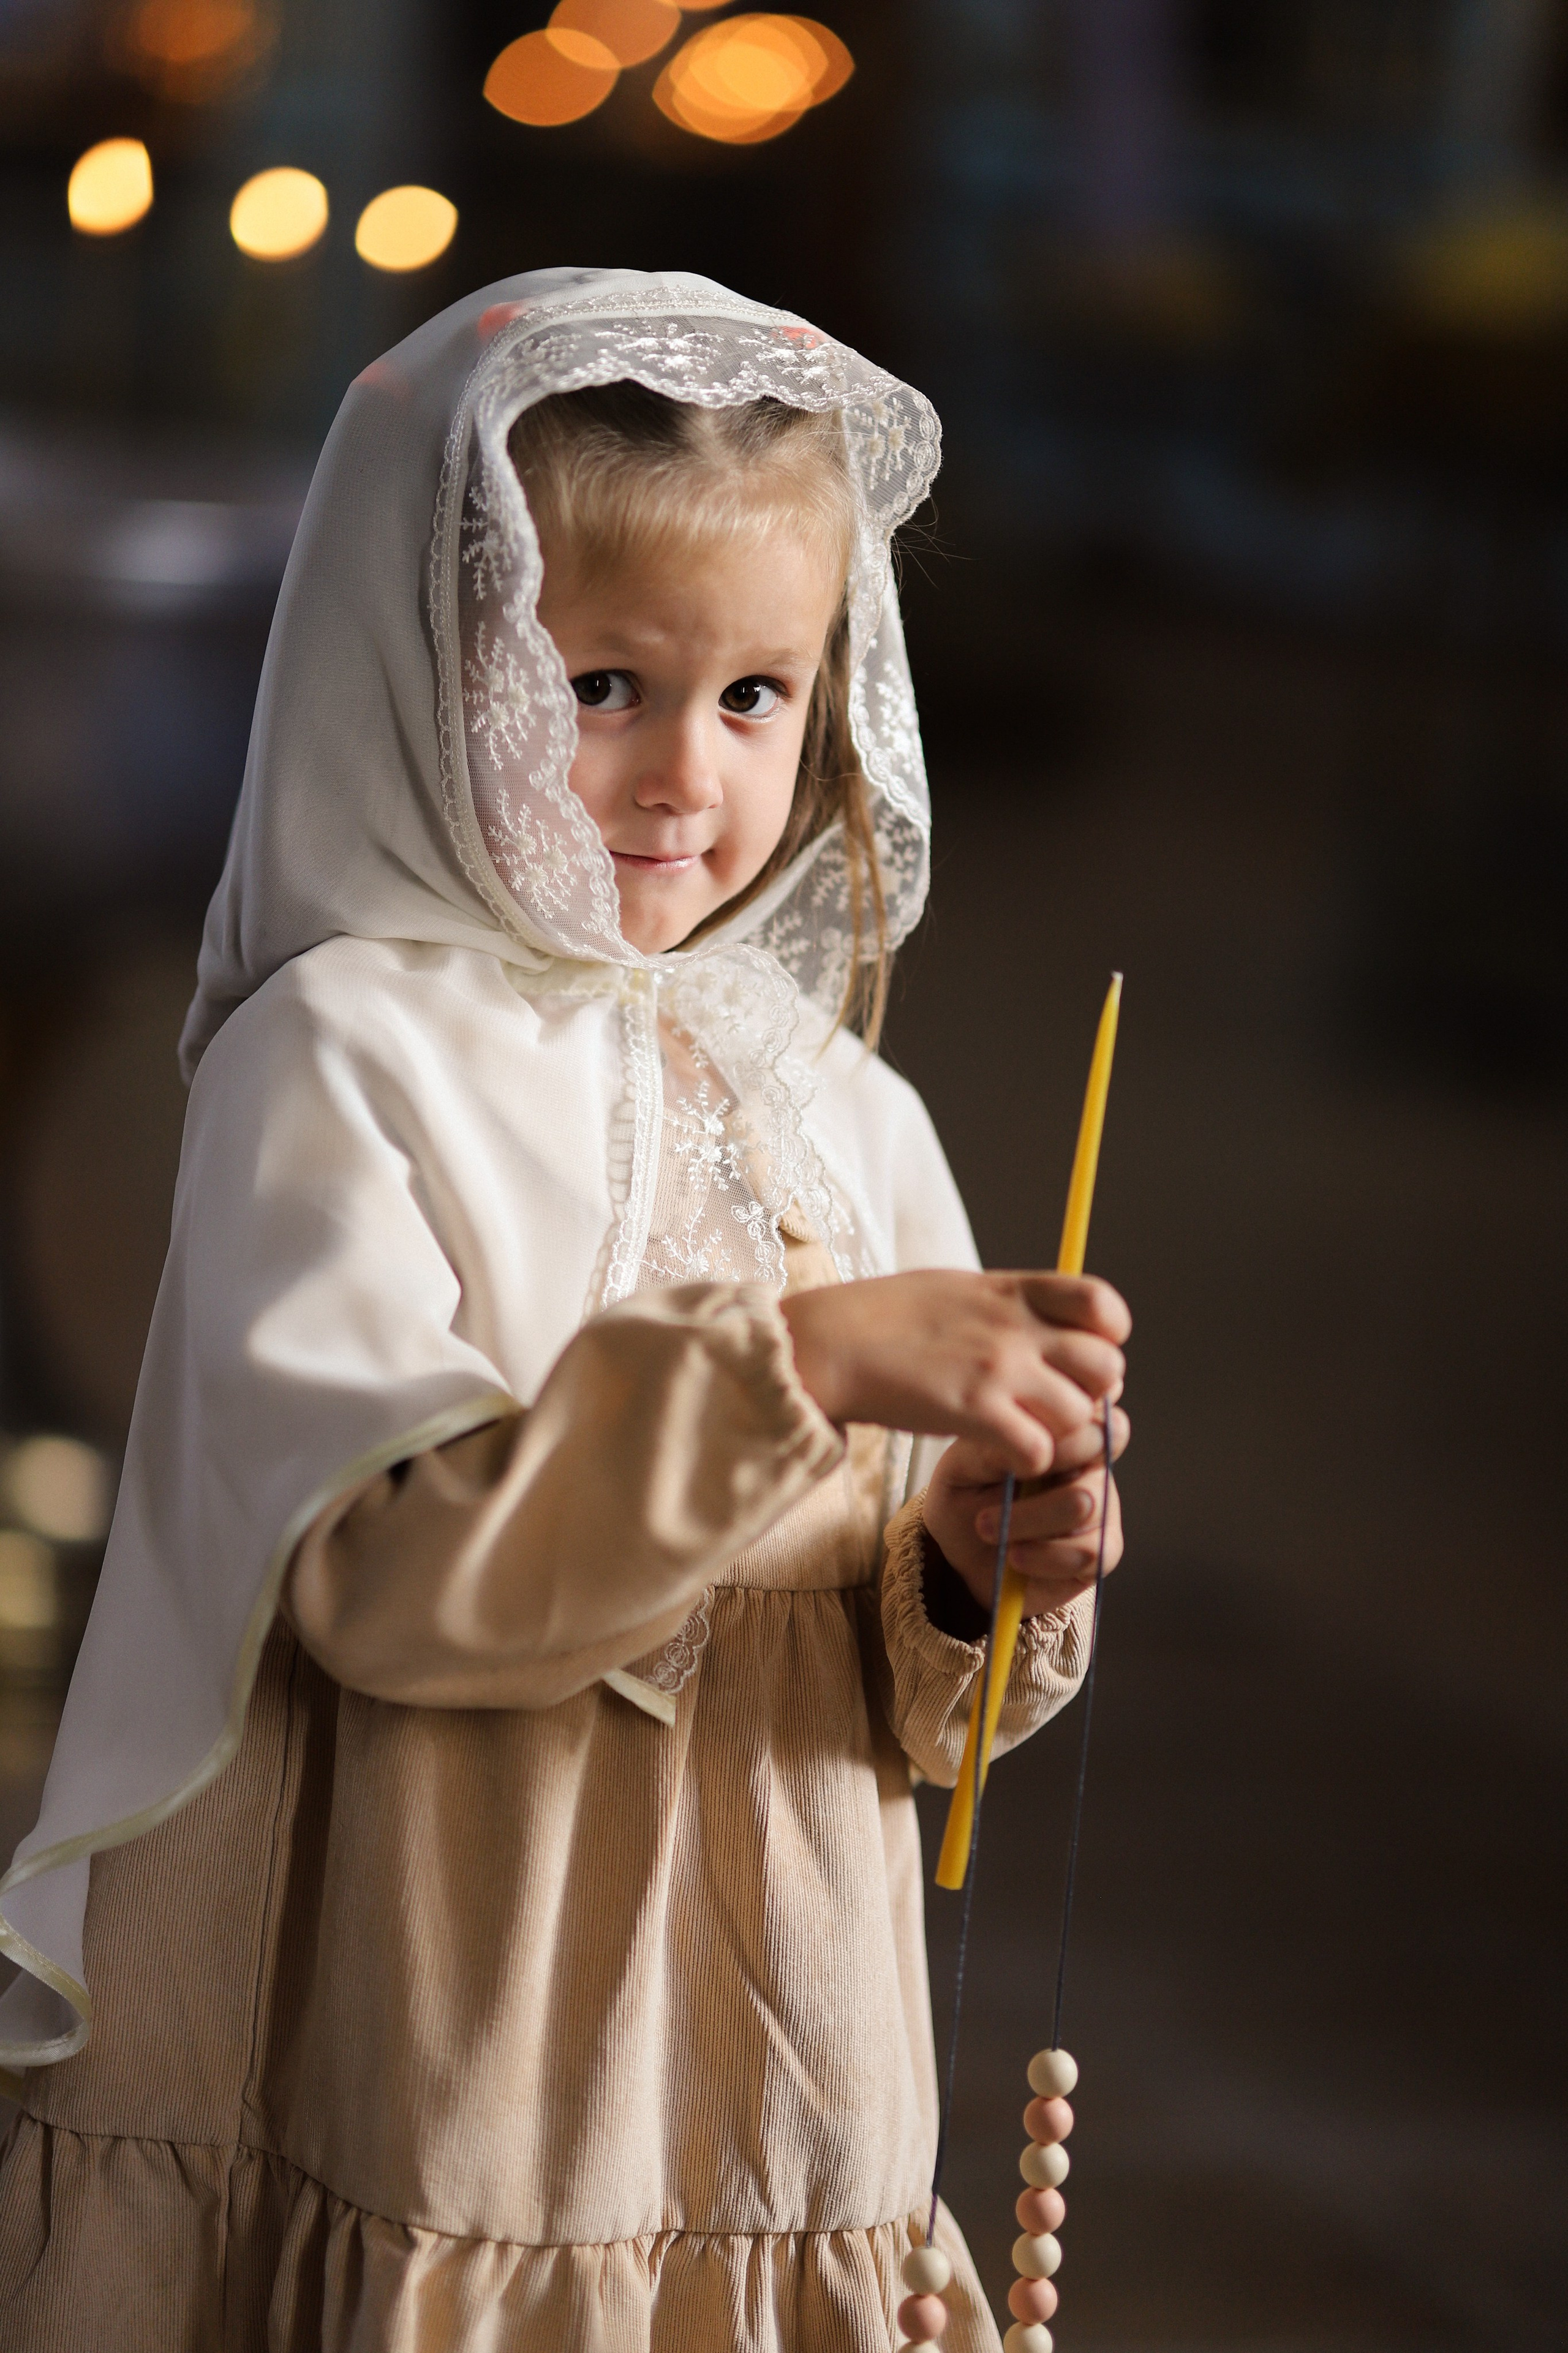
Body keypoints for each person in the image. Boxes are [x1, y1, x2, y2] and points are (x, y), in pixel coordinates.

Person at [0, 269, 1129, 2351]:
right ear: (432, 662)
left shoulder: (840, 1109)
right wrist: (796, 1366)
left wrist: (979, 1569)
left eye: (759, 695)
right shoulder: (344, 1057)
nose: (683, 777)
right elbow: (388, 1568)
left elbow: (904, 1698)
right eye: (602, 682)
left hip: (787, 2079)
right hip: (469, 2080)